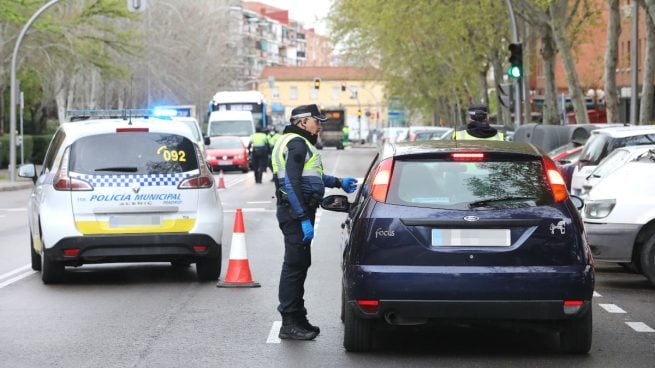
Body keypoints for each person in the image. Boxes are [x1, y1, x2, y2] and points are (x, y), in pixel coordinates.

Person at [271, 104, 358, 341]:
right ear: (302, 122)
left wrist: (338, 182)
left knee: (300, 264)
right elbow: (291, 182)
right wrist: (302, 219)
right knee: (294, 267)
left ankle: (298, 317)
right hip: (295, 213)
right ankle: (289, 322)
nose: (320, 125)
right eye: (316, 121)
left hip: (296, 211)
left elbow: (313, 176)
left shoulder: (297, 142)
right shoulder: (296, 143)